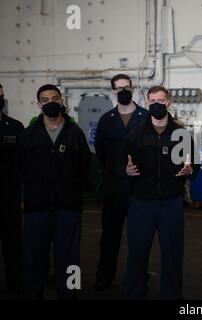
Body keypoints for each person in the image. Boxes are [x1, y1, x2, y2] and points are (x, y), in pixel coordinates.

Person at [120, 85, 199, 299]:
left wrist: (191, 170)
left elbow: (195, 165)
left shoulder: (181, 134)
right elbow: (121, 164)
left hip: (171, 204)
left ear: (169, 103)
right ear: (147, 104)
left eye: (161, 101)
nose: (156, 105)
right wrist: (125, 170)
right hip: (141, 204)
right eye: (152, 101)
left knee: (172, 256)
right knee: (137, 255)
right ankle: (133, 294)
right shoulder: (135, 134)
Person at [17, 84, 91, 299]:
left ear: (61, 101)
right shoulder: (29, 135)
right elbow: (20, 168)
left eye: (55, 98)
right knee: (33, 256)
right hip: (35, 208)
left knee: (70, 258)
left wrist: (72, 192)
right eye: (45, 99)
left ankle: (71, 293)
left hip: (67, 208)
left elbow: (84, 167)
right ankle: (32, 293)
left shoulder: (75, 134)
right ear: (39, 104)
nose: (51, 103)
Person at [94, 74, 149, 291]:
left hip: (140, 187)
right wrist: (117, 170)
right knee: (110, 235)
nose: (123, 91)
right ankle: (104, 276)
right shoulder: (106, 119)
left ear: (133, 88)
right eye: (119, 88)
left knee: (140, 238)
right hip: (114, 187)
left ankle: (138, 278)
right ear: (113, 92)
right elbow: (101, 151)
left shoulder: (146, 117)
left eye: (127, 87)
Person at [0, 84, 24, 295]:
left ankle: (15, 284)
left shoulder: (15, 127)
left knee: (13, 243)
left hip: (9, 196)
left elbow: (24, 162)